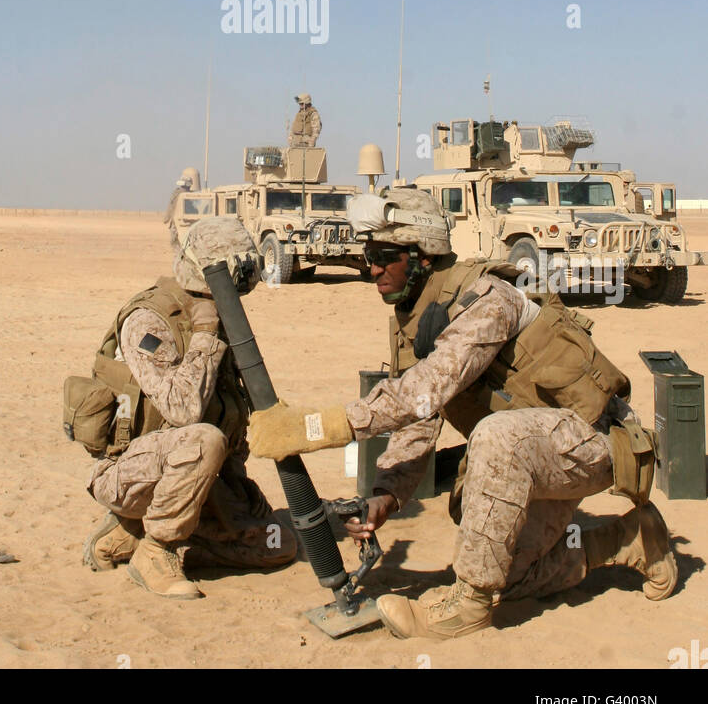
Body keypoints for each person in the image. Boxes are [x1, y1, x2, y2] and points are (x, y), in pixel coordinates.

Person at [248, 189, 677, 640]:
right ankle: (630, 540)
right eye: (368, 254)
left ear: (424, 256)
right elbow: (419, 420)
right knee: (503, 569)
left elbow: (427, 388)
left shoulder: (485, 298)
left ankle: (469, 605)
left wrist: (314, 428)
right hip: (539, 450)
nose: (371, 267)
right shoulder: (413, 316)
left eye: (384, 255)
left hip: (593, 441)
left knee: (495, 440)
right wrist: (385, 498)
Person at [83, 216, 296, 598]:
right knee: (203, 441)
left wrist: (238, 494)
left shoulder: (216, 315)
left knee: (278, 547)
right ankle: (155, 548)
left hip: (200, 476)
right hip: (132, 473)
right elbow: (183, 411)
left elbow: (231, 414)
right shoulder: (149, 319)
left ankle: (149, 538)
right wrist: (204, 335)